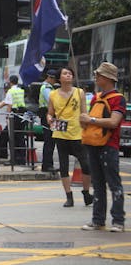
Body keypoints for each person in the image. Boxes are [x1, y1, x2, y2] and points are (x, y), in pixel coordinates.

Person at [80, 62, 126, 232]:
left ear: (107, 78)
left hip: (109, 146)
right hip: (93, 144)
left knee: (114, 184)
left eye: (98, 75)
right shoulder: (95, 98)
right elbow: (89, 121)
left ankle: (118, 220)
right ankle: (98, 220)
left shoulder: (118, 98)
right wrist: (84, 120)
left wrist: (90, 120)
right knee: (98, 184)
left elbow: (114, 122)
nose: (96, 77)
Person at [47, 66, 93, 207]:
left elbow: (84, 112)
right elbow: (50, 113)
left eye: (70, 74)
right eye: (65, 73)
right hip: (60, 134)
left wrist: (87, 125)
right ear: (59, 78)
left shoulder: (80, 93)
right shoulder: (53, 95)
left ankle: (86, 192)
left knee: (86, 165)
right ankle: (69, 196)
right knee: (63, 166)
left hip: (78, 134)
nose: (68, 76)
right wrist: (49, 118)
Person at [0, 75, 27, 164]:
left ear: (10, 82)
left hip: (14, 115)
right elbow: (4, 102)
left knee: (12, 136)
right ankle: (21, 159)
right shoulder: (20, 90)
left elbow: (9, 104)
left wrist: (7, 116)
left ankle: (13, 159)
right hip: (22, 115)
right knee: (20, 137)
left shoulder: (11, 91)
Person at [38, 70, 58, 172]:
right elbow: (52, 101)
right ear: (49, 78)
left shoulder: (49, 88)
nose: (55, 81)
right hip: (47, 115)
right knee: (49, 141)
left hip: (49, 115)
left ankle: (48, 165)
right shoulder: (46, 88)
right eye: (54, 79)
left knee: (51, 140)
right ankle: (47, 165)